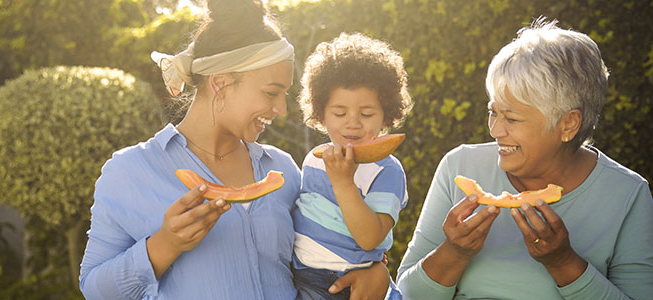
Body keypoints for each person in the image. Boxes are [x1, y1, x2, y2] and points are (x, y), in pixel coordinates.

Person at [79, 1, 391, 299]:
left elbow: (330, 243)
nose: (281, 109)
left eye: (284, 94)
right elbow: (93, 289)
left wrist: (376, 271)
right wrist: (164, 245)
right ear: (221, 83)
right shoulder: (130, 170)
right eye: (272, 92)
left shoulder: (284, 170)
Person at [396, 18, 653, 299]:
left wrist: (564, 263)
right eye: (493, 112)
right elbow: (406, 294)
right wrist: (454, 252)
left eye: (512, 118)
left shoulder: (627, 194)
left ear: (568, 124)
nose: (495, 130)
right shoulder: (459, 166)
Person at [292, 32, 413, 299]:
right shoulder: (314, 159)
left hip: (346, 283)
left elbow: (370, 238)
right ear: (321, 113)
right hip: (300, 275)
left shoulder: (387, 171)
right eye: (340, 112)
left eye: (366, 113)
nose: (353, 122)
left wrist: (344, 182)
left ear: (386, 116)